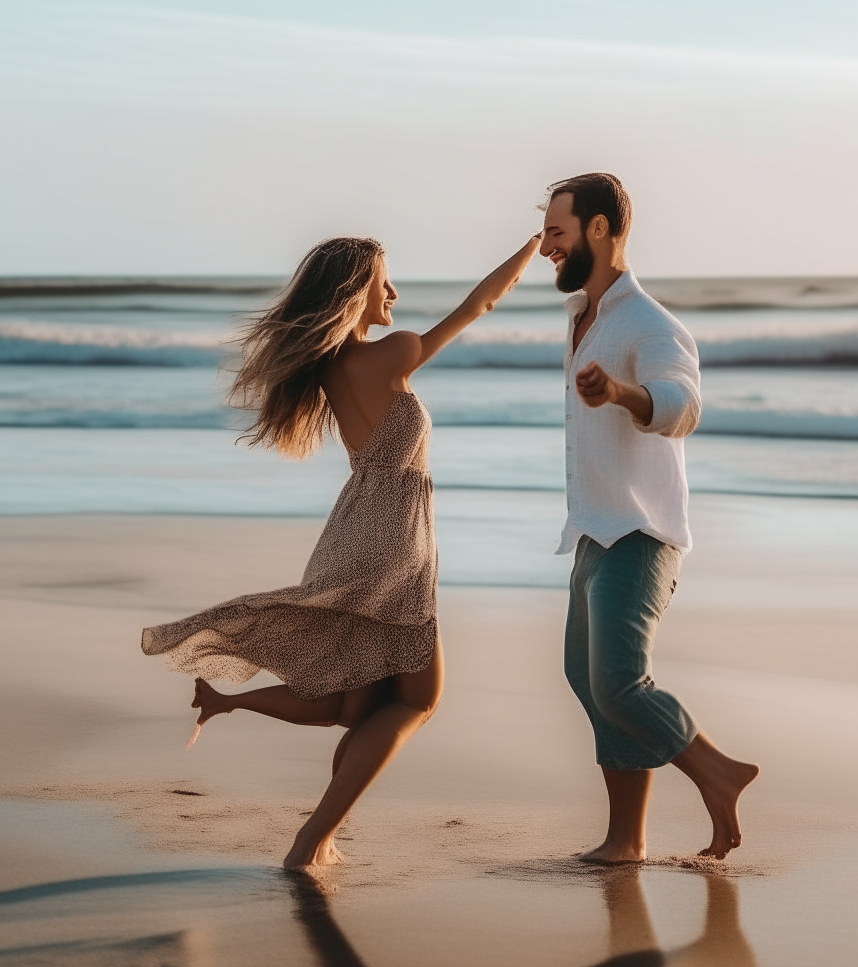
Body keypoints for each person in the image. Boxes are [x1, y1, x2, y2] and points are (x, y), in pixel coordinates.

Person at [142, 233, 540, 869]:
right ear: (354, 292)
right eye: (384, 281)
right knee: (417, 700)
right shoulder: (397, 354)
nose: (393, 293)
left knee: (360, 706)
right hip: (395, 543)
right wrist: (530, 249)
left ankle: (312, 825)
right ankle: (310, 840)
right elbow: (478, 306)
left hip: (350, 531)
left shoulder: (325, 369)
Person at [538, 172, 759, 861]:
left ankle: (718, 774)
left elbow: (683, 406)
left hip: (641, 533)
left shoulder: (651, 323)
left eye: (556, 231)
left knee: (620, 683)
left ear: (598, 229)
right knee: (588, 679)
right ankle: (625, 839)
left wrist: (624, 394)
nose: (545, 245)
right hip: (594, 529)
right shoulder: (583, 318)